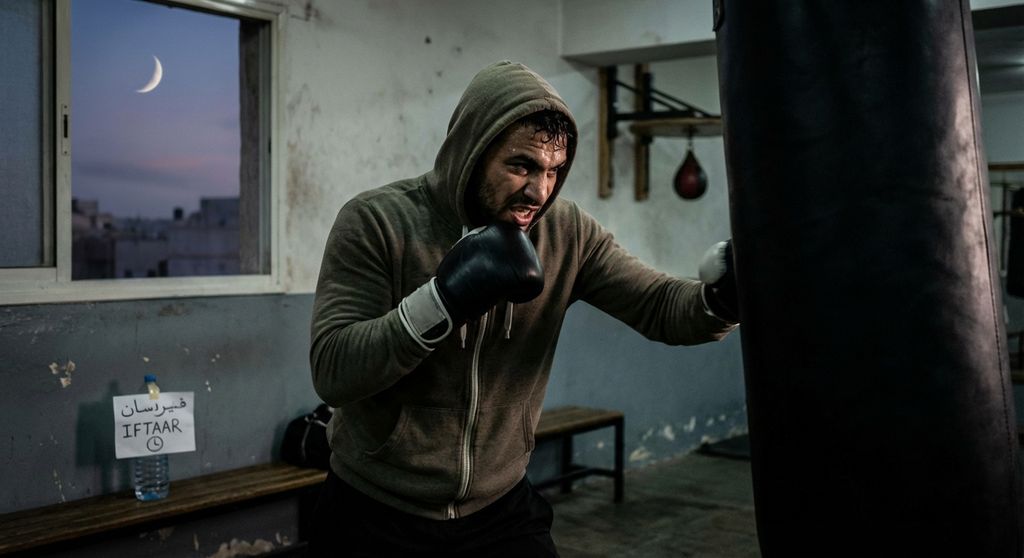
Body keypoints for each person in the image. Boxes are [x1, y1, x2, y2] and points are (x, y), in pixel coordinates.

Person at [308, 60, 739, 557]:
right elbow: (333, 370)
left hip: (501, 509)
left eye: (554, 171)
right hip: (376, 510)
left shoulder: (567, 234)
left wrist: (720, 298)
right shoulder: (377, 222)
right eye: (521, 166)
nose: (540, 191)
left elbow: (660, 305)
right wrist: (442, 300)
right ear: (472, 152)